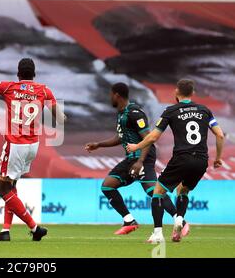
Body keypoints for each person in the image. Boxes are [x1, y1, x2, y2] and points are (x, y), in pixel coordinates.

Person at [0, 57, 65, 241]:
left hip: (15, 144)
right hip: (32, 146)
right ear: (34, 74)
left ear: (18, 74)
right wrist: (61, 115)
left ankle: (34, 228)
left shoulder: (9, 87)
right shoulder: (44, 90)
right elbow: (60, 119)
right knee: (11, 185)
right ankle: (5, 231)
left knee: (1, 189)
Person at [127, 79, 224, 243]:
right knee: (183, 190)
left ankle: (157, 233)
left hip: (181, 157)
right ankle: (179, 218)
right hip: (201, 159)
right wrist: (218, 158)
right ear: (193, 93)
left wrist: (137, 146)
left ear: (176, 92)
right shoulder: (204, 110)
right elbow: (220, 135)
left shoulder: (171, 111)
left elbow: (154, 136)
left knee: (158, 192)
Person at [85, 83, 180, 235]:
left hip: (142, 157)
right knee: (108, 186)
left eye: (111, 94)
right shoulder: (122, 113)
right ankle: (129, 220)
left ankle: (179, 219)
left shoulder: (135, 112)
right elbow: (120, 137)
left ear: (116, 95)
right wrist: (99, 144)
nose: (110, 97)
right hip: (132, 158)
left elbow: (148, 138)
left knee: (152, 190)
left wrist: (140, 162)